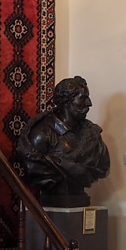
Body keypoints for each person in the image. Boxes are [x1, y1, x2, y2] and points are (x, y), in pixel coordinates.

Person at [16, 76, 110, 206]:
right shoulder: (41, 134)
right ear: (66, 101)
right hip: (53, 202)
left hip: (79, 199)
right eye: (83, 98)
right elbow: (35, 173)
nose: (89, 103)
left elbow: (103, 167)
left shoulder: (93, 134)